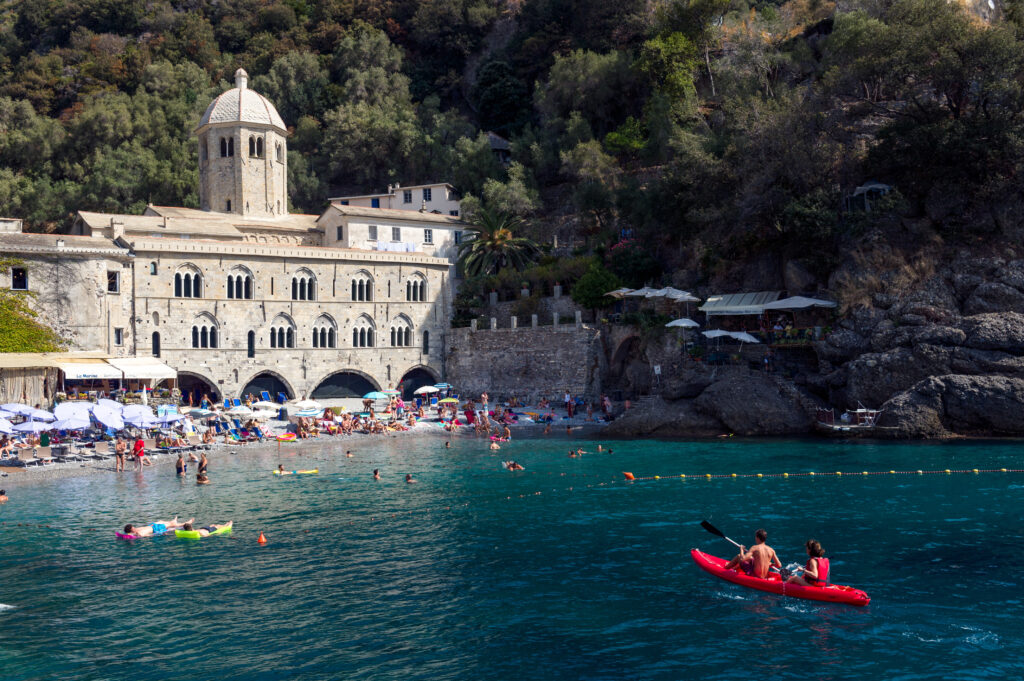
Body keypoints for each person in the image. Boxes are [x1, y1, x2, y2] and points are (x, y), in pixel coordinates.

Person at [122, 517, 192, 538]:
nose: (134, 527)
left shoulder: (136, 530)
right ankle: (186, 523)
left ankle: (173, 521)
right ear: (131, 530)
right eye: (132, 527)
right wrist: (161, 533)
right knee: (170, 525)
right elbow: (150, 535)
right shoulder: (139, 534)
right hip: (156, 529)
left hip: (152, 525)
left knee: (161, 521)